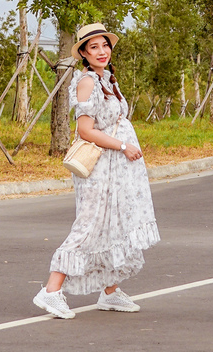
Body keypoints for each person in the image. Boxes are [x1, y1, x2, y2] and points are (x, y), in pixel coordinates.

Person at [33, 23, 160, 320]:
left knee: (114, 226)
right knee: (89, 226)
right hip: (100, 168)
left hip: (116, 170)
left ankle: (110, 292)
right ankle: (51, 291)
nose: (101, 51)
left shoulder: (107, 80)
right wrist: (122, 145)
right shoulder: (88, 82)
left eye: (105, 45)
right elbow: (85, 130)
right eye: (94, 47)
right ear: (83, 53)